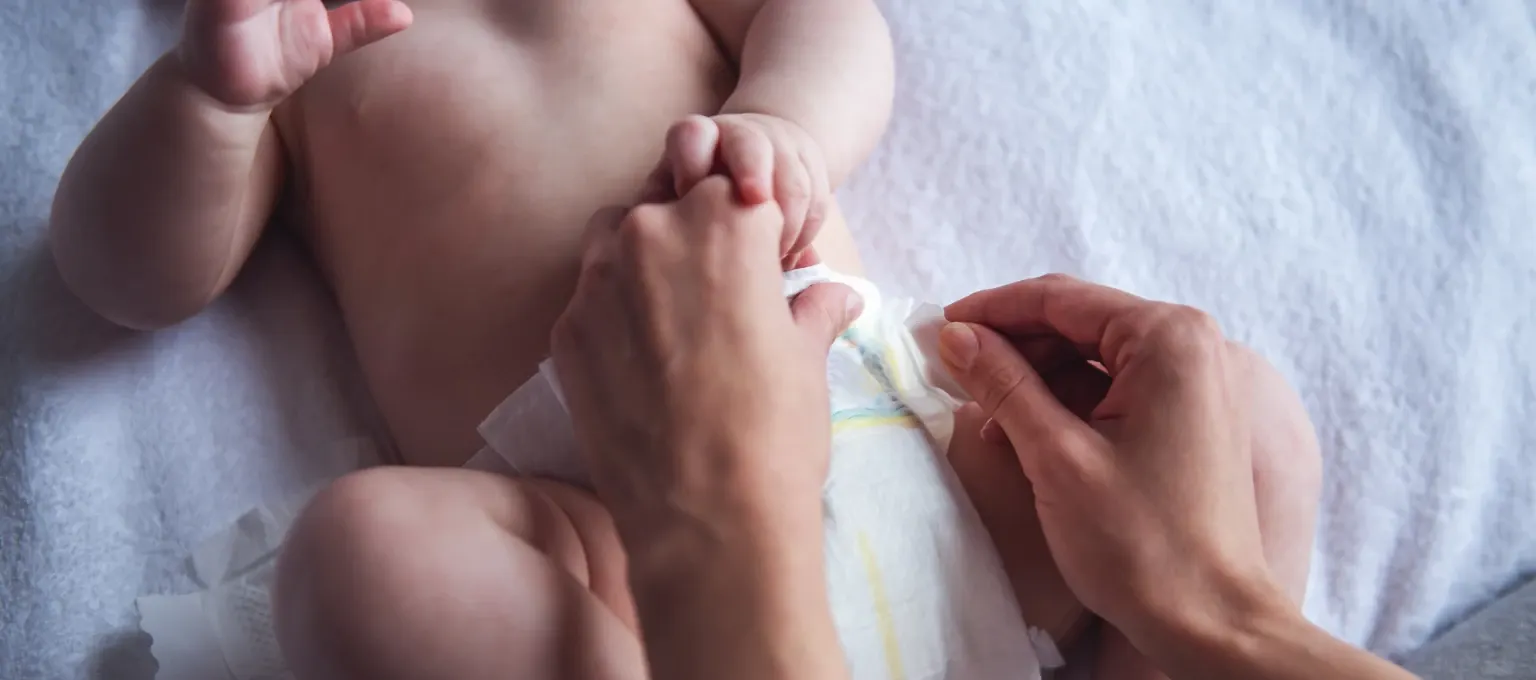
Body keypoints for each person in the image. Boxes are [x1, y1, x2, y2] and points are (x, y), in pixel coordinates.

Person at [48, 0, 1088, 676]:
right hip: (612, 539)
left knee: (1185, 409)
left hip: (882, 428)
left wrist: (784, 122)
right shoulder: (293, 48)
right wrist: (210, 101)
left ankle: (1145, 644)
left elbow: (825, 22)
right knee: (363, 556)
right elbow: (123, 272)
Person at [548, 181, 1421, 680]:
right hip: (645, 549)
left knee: (1248, 409)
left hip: (681, 569)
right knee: (410, 559)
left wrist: (779, 113)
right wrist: (1222, 607)